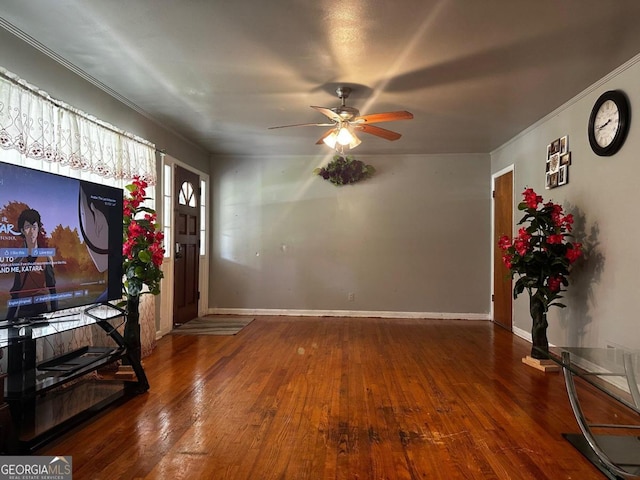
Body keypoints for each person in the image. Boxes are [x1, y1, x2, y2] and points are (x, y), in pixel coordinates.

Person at [5, 208, 57, 320]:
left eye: (34, 227)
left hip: (42, 312)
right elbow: (16, 292)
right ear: (23, 230)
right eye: (28, 227)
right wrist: (8, 321)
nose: (32, 231)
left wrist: (55, 315)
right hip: (23, 312)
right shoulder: (18, 259)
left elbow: (52, 289)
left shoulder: (46, 256)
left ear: (38, 229)